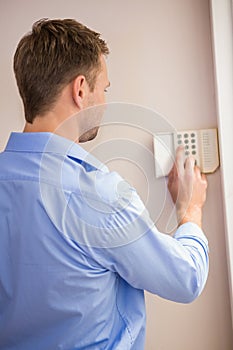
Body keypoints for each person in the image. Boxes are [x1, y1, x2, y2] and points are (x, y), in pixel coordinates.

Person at [0, 18, 208, 350]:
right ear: (80, 90)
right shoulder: (98, 194)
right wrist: (191, 211)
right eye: (105, 89)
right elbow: (186, 280)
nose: (106, 102)